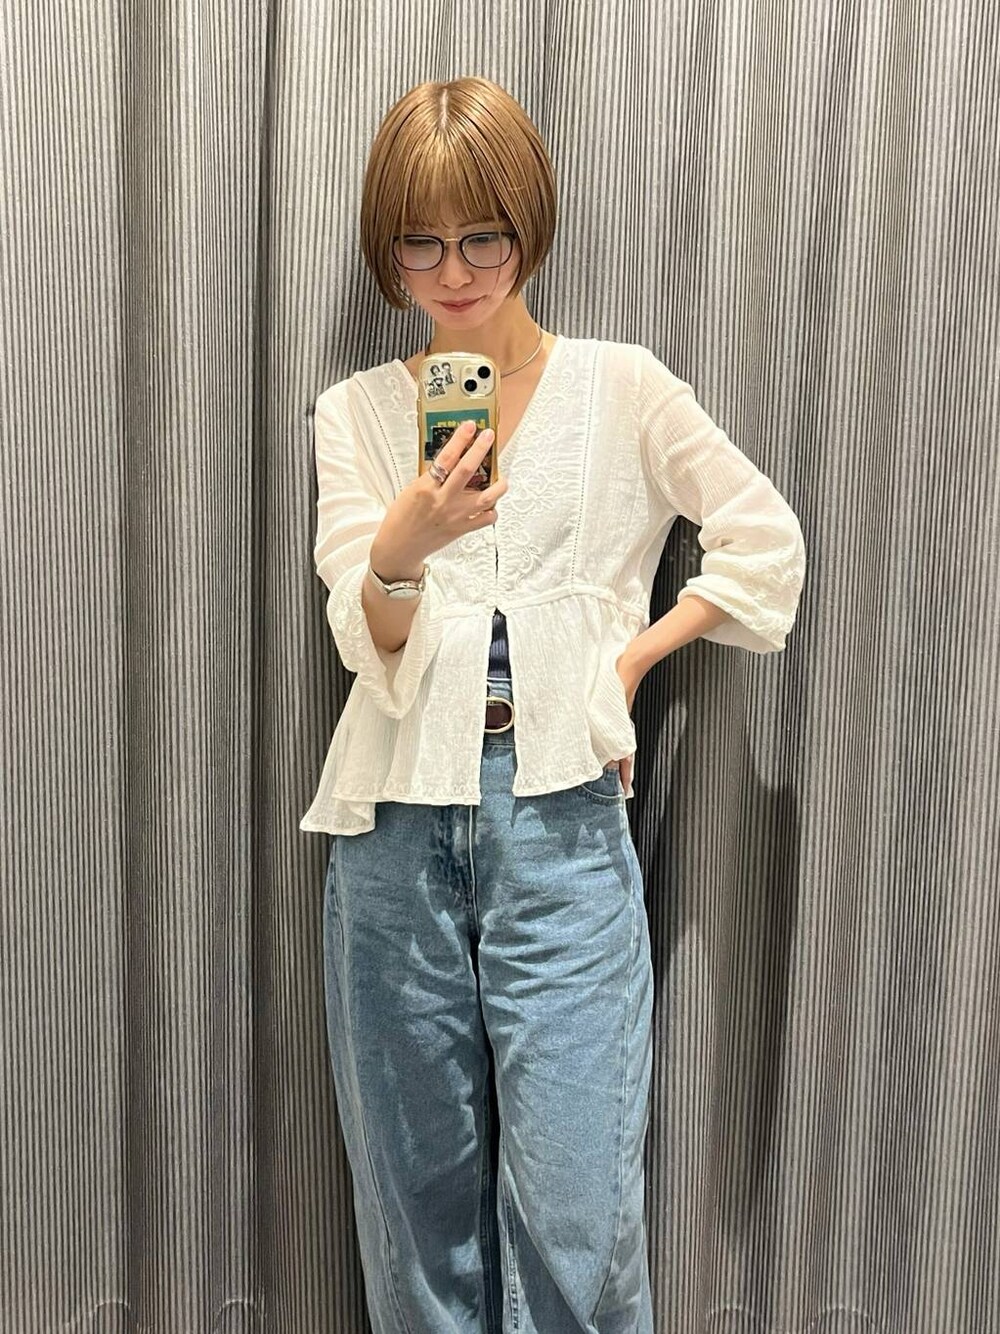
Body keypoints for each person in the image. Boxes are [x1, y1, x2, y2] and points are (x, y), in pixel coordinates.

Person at [302, 77, 806, 1334]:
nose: (451, 272)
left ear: (529, 228)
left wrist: (629, 664)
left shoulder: (620, 388)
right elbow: (364, 637)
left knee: (576, 1215)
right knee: (414, 1211)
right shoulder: (356, 413)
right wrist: (402, 548)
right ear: (385, 249)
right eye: (418, 242)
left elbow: (763, 540)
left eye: (482, 236)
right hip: (391, 836)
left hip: (564, 829)